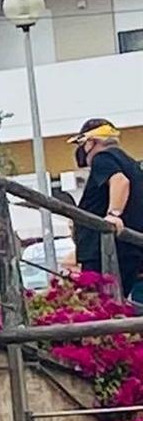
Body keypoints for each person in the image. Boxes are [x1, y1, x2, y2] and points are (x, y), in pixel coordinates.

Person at [70, 117, 143, 299]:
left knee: (99, 304)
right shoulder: (132, 164)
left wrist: (113, 214)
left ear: (91, 142)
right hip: (128, 250)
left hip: (105, 252)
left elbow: (119, 181)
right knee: (114, 303)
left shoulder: (102, 158)